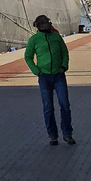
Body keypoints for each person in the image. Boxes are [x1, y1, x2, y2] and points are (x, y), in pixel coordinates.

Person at [24, 14, 76, 145]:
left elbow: (64, 52)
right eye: (48, 23)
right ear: (41, 25)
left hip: (58, 75)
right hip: (44, 76)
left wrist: (64, 66)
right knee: (48, 107)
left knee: (64, 104)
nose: (50, 24)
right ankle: (52, 134)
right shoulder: (34, 40)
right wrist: (37, 71)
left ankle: (67, 133)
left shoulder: (56, 37)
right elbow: (28, 57)